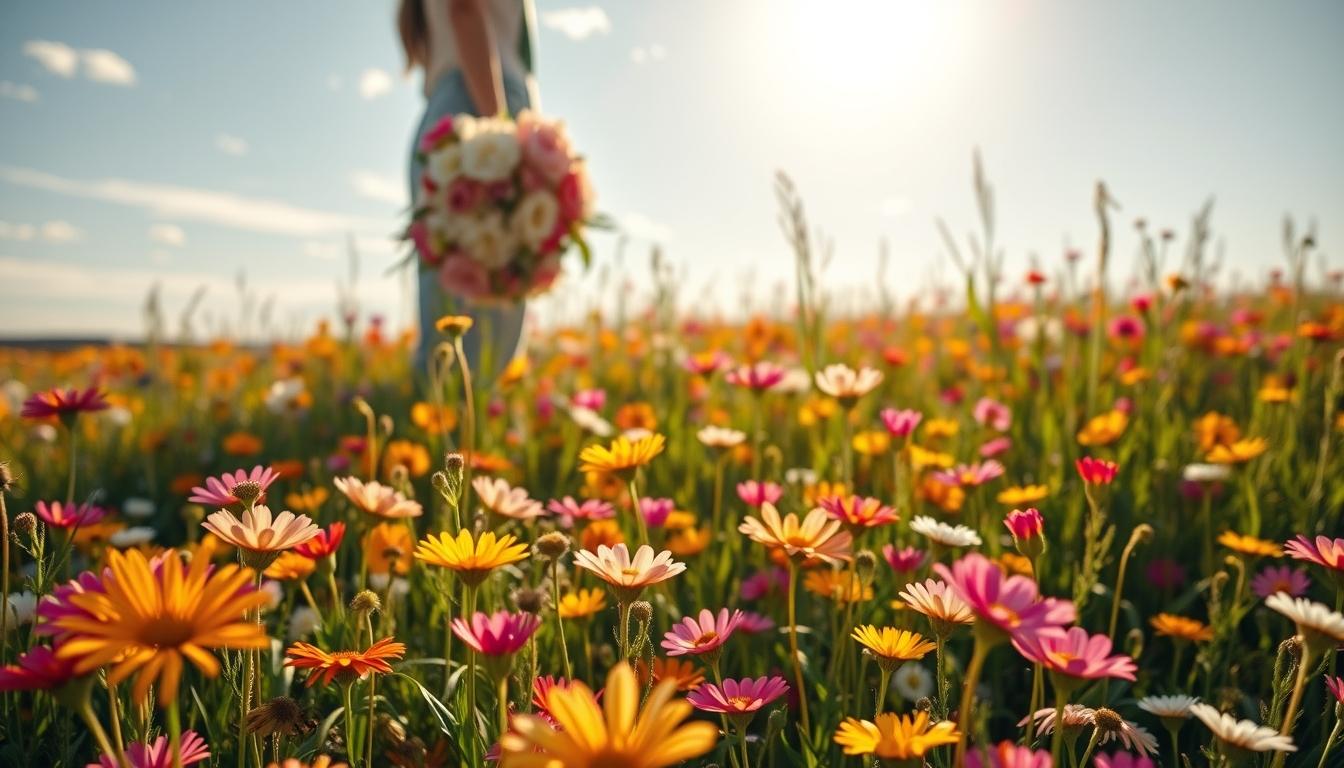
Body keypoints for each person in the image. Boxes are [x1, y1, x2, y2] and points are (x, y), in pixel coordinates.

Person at [399, 0, 538, 377]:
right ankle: (452, 425)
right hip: (479, 103)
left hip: (458, 103)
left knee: (459, 292)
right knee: (483, 301)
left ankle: (446, 418)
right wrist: (499, 133)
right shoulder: (489, 122)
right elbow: (465, 9)